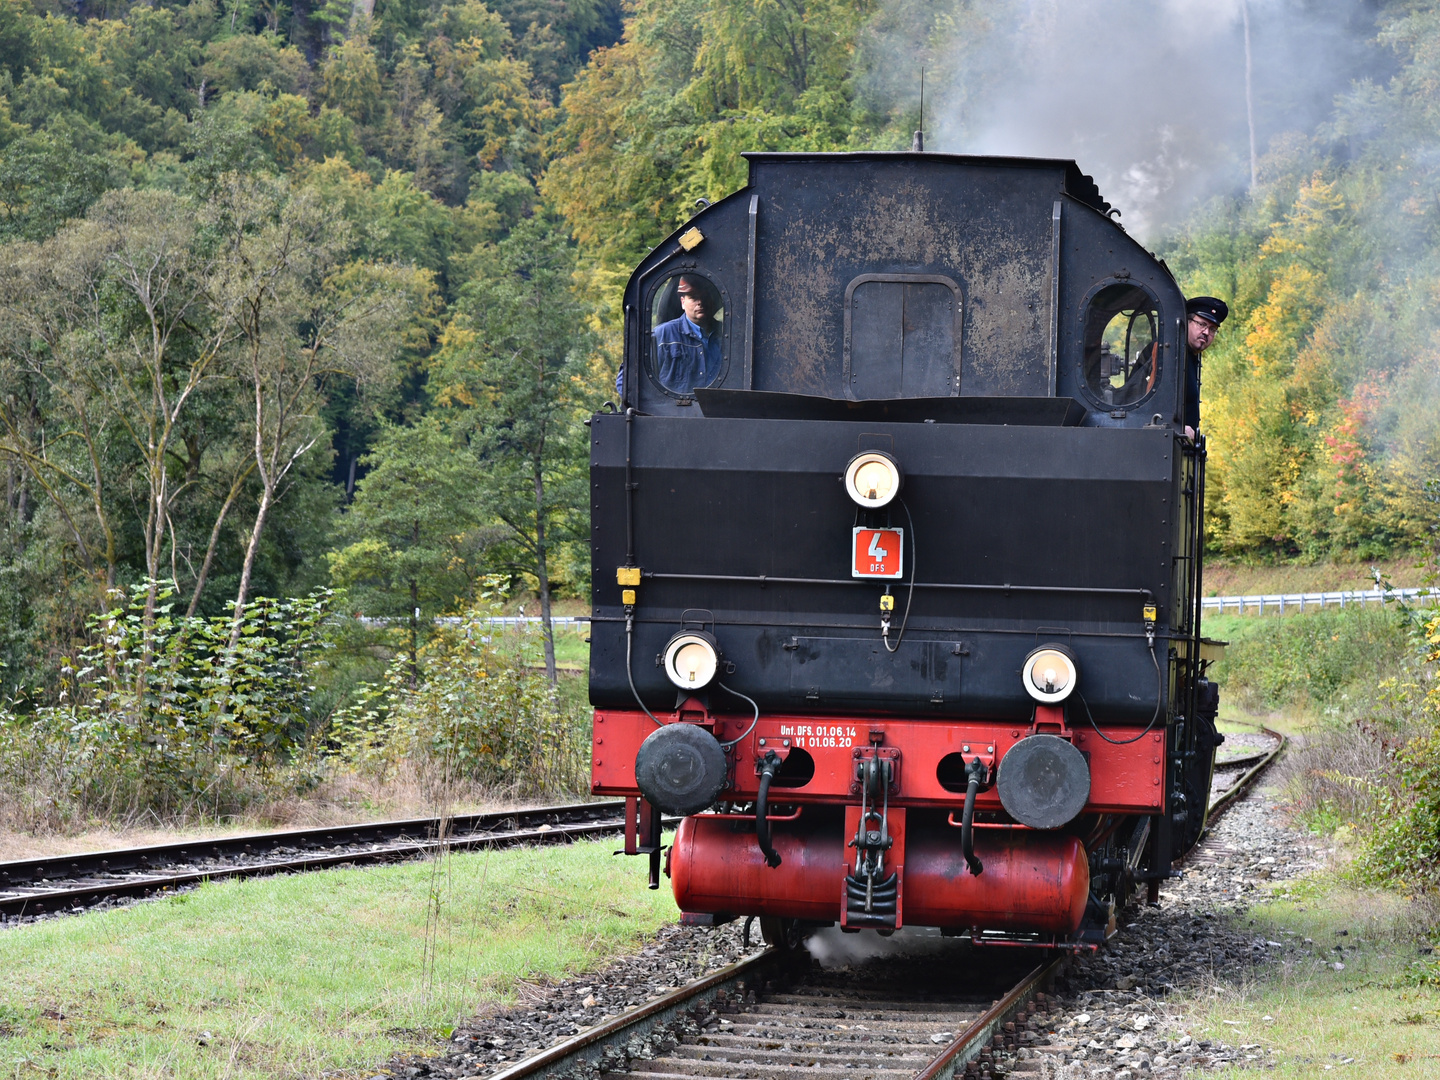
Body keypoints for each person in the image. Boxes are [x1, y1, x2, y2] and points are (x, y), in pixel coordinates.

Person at [615, 275, 724, 398]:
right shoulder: (662, 335)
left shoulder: (728, 335)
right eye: (693, 297)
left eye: (704, 297)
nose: (700, 302)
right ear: (683, 302)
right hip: (673, 415)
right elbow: (626, 382)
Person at [1183, 295, 1228, 438]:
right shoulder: (1165, 353)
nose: (1207, 332)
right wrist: (1175, 427)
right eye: (1202, 324)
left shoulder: (1190, 356)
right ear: (1187, 322)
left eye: (1213, 329)